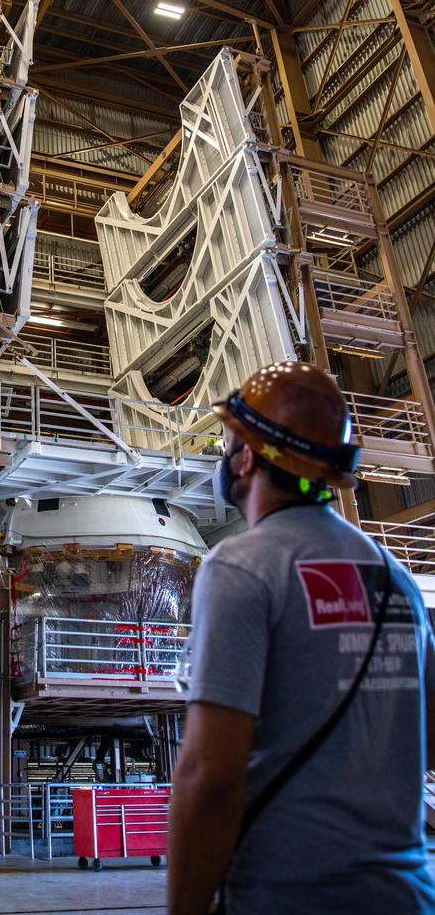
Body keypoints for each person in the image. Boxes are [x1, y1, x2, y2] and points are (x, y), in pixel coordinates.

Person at [168, 361, 435, 915]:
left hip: (288, 893)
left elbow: (209, 775)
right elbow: (426, 738)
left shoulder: (241, 568)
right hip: (408, 895)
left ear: (247, 457)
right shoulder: (398, 581)